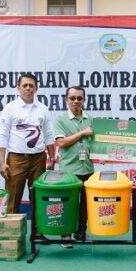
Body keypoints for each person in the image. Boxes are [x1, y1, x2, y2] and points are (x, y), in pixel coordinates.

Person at [0, 73, 56, 220]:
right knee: (13, 197)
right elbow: (3, 136)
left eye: (31, 85)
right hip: (16, 159)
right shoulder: (10, 108)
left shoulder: (43, 109)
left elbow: (49, 135)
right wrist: (2, 162)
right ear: (18, 88)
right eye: (25, 85)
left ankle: (37, 233)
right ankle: (12, 234)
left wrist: (52, 158)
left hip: (38, 159)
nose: (28, 88)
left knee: (37, 196)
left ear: (36, 88)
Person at [54, 86, 94, 248]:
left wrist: (102, 155)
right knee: (68, 204)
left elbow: (95, 143)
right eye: (72, 98)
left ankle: (80, 232)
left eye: (79, 98)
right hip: (69, 170)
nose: (76, 101)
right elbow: (62, 142)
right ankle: (65, 235)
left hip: (87, 169)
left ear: (84, 100)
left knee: (85, 205)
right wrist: (83, 133)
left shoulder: (89, 119)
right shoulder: (60, 119)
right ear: (66, 100)